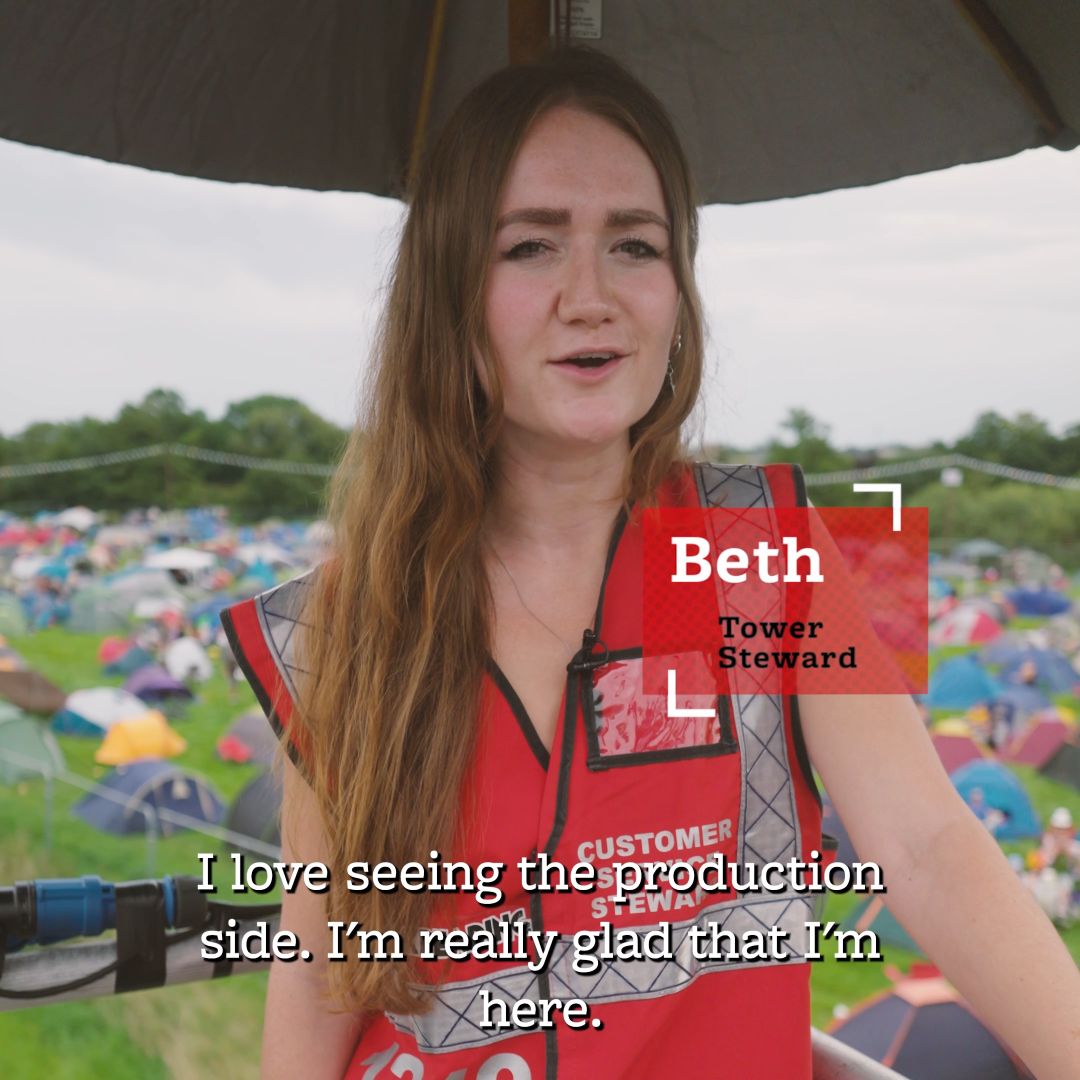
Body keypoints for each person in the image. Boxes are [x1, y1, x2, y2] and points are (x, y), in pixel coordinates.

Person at [221, 47, 1080, 1080]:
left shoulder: (776, 542)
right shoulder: (350, 614)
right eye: (531, 246)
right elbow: (322, 962)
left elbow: (932, 849)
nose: (592, 295)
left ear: (680, 288)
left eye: (635, 245)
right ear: (449, 288)